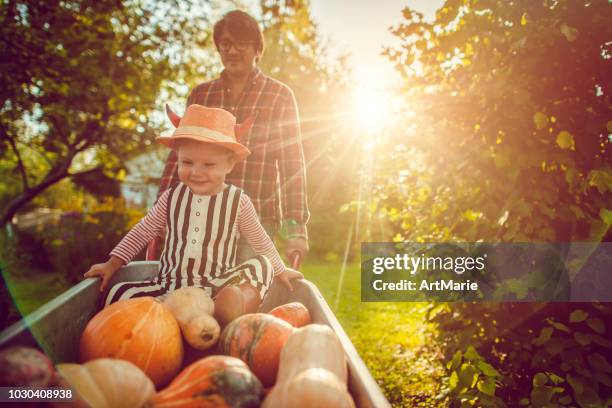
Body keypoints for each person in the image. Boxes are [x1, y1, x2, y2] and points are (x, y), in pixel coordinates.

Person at [84, 104, 304, 326]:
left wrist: (280, 269)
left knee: (262, 264)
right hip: (167, 287)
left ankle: (231, 311)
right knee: (119, 292)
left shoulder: (238, 202)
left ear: (230, 164)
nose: (196, 172)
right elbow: (143, 231)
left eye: (209, 164)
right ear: (177, 158)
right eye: (187, 162)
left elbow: (260, 240)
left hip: (216, 288)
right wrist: (112, 264)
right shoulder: (171, 198)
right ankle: (153, 323)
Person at [155, 9, 309, 265]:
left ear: (257, 49)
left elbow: (292, 162)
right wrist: (162, 210)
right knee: (196, 291)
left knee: (246, 295)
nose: (233, 51)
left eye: (242, 43)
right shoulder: (202, 95)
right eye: (226, 44)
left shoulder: (279, 96)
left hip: (256, 219)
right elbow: (178, 156)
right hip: (201, 216)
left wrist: (297, 228)